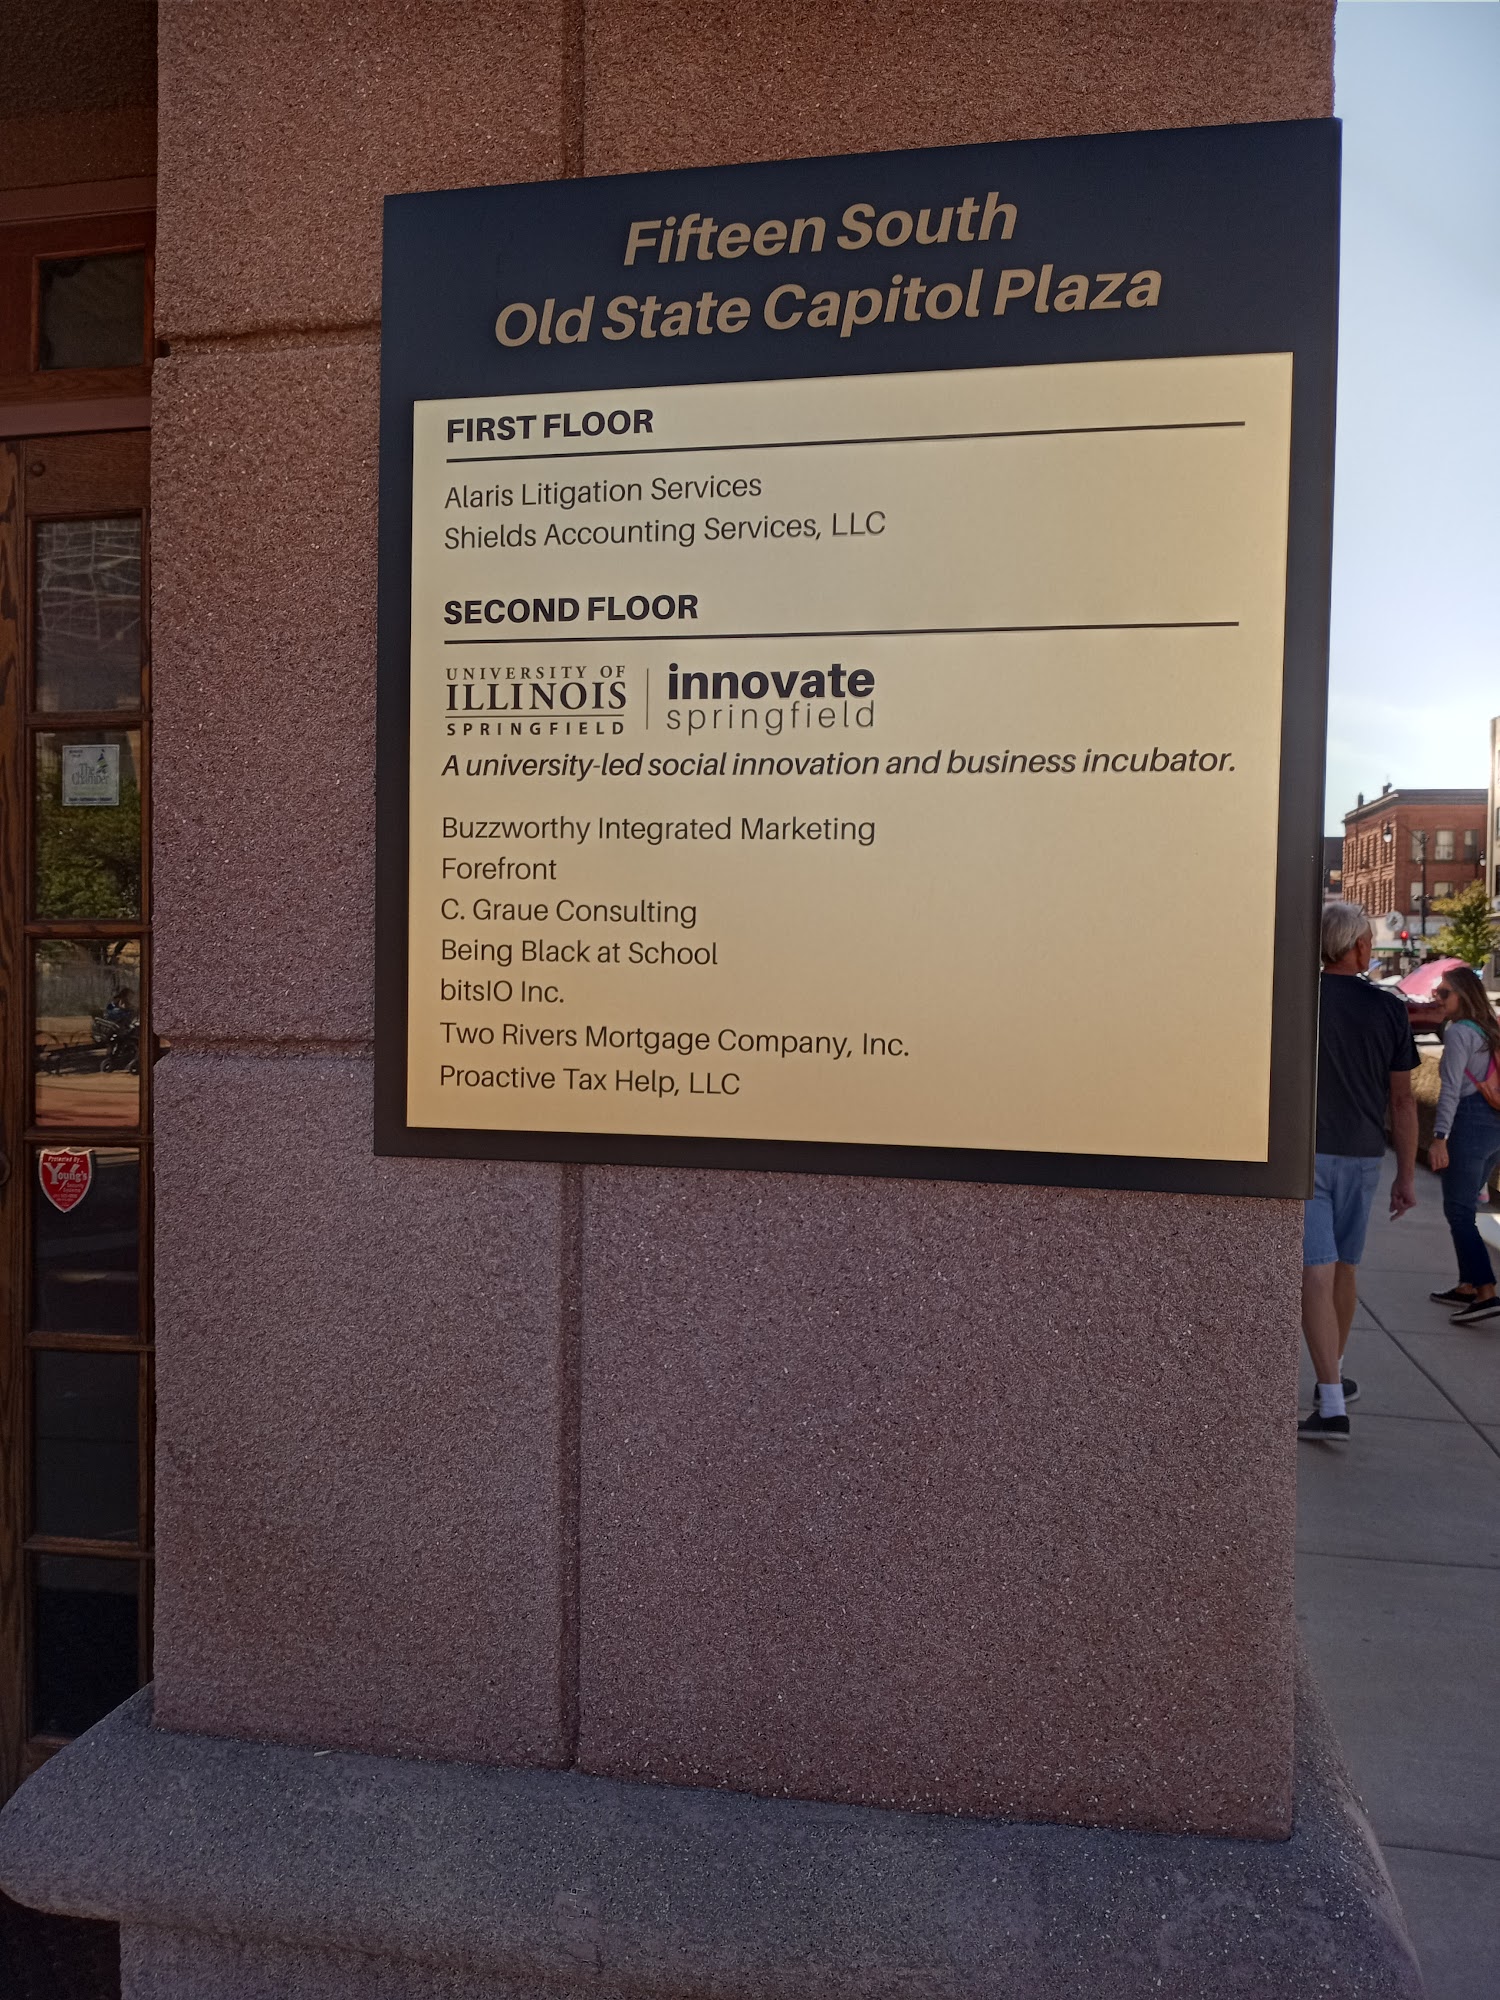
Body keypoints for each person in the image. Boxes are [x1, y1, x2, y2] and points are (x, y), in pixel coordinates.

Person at [1299, 901, 1419, 1440]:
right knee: (1345, 1267)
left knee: (1316, 1273)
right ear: (1358, 947)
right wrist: (1406, 1176)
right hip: (1364, 1155)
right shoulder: (1389, 1008)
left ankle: (1331, 1400)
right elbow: (1403, 1101)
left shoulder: (1301, 1000)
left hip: (1308, 1155)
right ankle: (1334, 1379)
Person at [1425, 966, 1500, 1323]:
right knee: (1466, 1206)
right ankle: (1468, 1284)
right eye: (1437, 992)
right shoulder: (1489, 1029)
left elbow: (1451, 1091)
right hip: (1494, 1126)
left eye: (1444, 993)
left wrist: (1439, 1138)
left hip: (1469, 1123)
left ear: (1463, 995)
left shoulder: (1459, 1033)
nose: (1438, 999)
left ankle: (1486, 1291)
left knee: (1459, 1211)